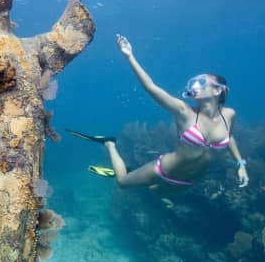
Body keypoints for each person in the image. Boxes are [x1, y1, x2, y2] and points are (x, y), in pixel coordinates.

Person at [68, 34, 249, 190]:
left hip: (190, 180)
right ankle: (110, 144)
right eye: (194, 82)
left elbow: (229, 136)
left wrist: (240, 164)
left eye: (202, 83)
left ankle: (136, 173)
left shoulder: (229, 115)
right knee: (122, 183)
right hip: (164, 170)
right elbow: (151, 87)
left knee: (156, 192)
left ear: (218, 91)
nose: (194, 85)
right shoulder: (184, 111)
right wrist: (130, 56)